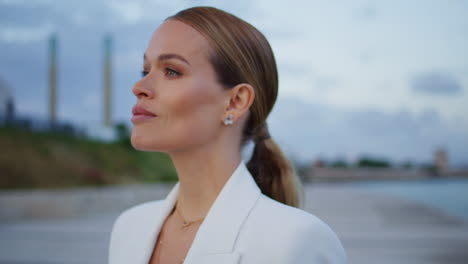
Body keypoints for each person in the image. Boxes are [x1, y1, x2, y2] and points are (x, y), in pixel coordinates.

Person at [108, 6, 346, 264]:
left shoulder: (295, 241)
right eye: (146, 71)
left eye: (172, 71)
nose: (139, 87)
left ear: (235, 101)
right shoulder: (129, 229)